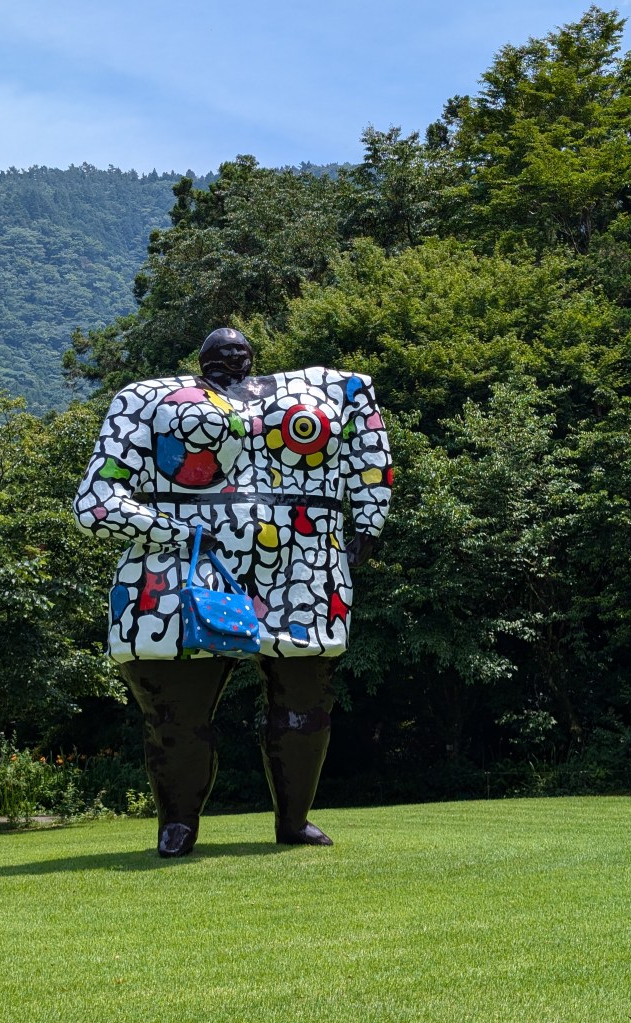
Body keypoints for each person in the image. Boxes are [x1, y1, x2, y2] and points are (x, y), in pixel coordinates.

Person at [74, 327, 392, 856]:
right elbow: (96, 500)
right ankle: (177, 822)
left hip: (302, 562)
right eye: (219, 353)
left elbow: (371, 453)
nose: (232, 357)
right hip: (182, 565)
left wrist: (369, 522)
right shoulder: (144, 398)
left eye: (240, 350)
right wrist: (176, 532)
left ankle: (294, 819)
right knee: (175, 710)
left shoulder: (339, 391)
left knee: (304, 702)